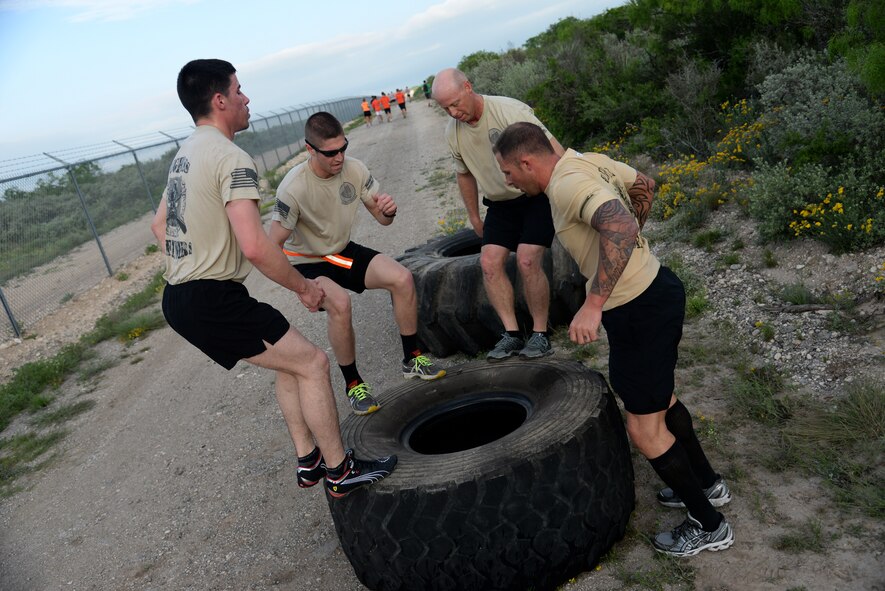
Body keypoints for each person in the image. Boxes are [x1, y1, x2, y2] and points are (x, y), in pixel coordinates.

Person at [150, 59, 396, 498]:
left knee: (290, 362)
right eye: (239, 90)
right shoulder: (231, 157)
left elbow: (159, 228)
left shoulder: (184, 155)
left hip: (180, 296)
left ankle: (309, 460)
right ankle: (340, 472)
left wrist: (192, 263)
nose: (247, 99)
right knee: (315, 363)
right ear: (220, 100)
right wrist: (305, 287)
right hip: (212, 296)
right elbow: (256, 246)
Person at [492, 121, 734, 557]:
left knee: (643, 429)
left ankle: (709, 524)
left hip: (637, 307)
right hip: (656, 288)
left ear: (526, 162)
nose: (507, 181)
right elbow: (644, 183)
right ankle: (707, 485)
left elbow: (619, 227)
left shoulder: (564, 186)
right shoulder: (587, 161)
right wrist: (630, 245)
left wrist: (594, 301)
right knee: (663, 400)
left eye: (508, 173)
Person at [268, 111, 445, 416]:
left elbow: (383, 219)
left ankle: (412, 358)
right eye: (330, 152)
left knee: (402, 278)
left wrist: (389, 210)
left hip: (339, 254)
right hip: (307, 261)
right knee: (340, 303)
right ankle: (353, 384)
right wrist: (299, 287)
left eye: (343, 148)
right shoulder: (293, 187)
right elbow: (273, 246)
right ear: (310, 149)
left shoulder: (355, 169)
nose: (339, 157)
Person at [432, 67, 566, 361]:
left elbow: (553, 151)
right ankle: (512, 335)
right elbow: (464, 174)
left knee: (528, 260)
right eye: (445, 109)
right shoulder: (452, 133)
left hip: (534, 196)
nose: (453, 112)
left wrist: (565, 193)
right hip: (500, 203)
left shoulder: (508, 110)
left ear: (468, 87)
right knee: (489, 263)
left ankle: (541, 335)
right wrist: (474, 217)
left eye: (455, 103)